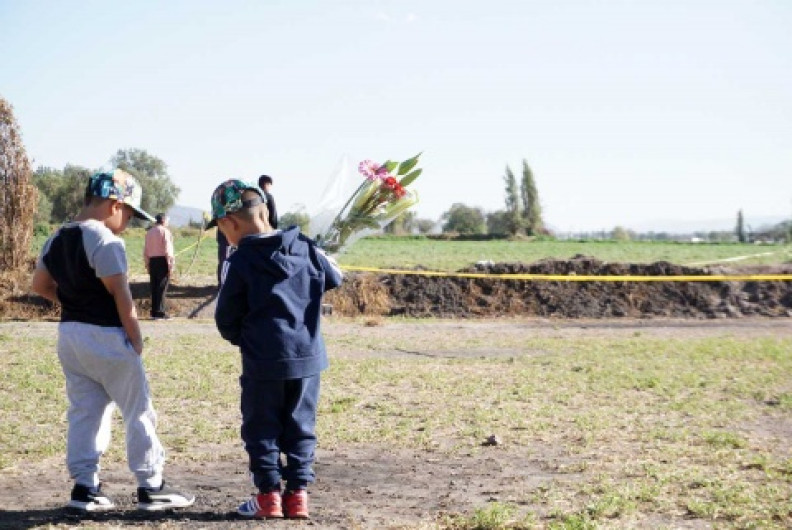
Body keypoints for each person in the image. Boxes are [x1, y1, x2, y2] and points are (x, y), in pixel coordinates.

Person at [31, 170, 195, 513]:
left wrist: (75, 302)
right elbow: (122, 295)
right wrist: (135, 337)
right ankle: (152, 486)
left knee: (85, 412)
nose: (130, 222)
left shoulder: (56, 238)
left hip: (70, 336)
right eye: (130, 214)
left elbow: (40, 286)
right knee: (137, 410)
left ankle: (85, 487)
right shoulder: (105, 240)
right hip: (107, 336)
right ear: (114, 205)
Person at [208, 179, 342, 519]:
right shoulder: (307, 247)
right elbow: (334, 278)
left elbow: (225, 317)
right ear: (266, 210)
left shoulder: (238, 262)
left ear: (229, 223)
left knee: (261, 426)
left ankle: (268, 497)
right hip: (307, 359)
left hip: (263, 361)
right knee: (301, 426)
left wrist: (248, 340)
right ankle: (298, 496)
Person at [144, 213, 174, 319]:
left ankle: (154, 312)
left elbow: (146, 250)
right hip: (162, 261)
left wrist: (147, 264)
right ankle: (160, 312)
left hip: (152, 261)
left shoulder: (149, 232)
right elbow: (168, 250)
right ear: (163, 220)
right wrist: (170, 264)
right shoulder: (165, 232)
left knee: (154, 287)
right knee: (161, 287)